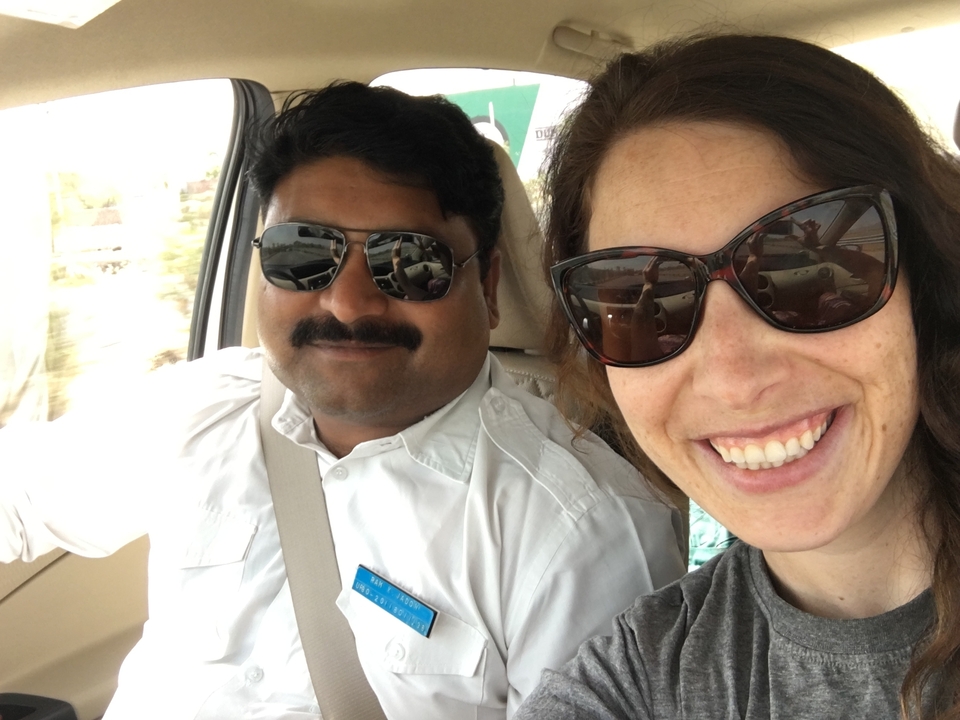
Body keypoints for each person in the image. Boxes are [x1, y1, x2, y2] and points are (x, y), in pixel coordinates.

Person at [0, 81, 687, 720]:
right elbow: (18, 500)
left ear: (488, 285)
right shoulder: (203, 408)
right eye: (303, 254)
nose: (348, 301)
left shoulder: (581, 530)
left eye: (411, 262)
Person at [516, 33, 960, 719]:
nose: (734, 379)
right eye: (640, 301)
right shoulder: (638, 679)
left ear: (924, 278)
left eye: (809, 265)